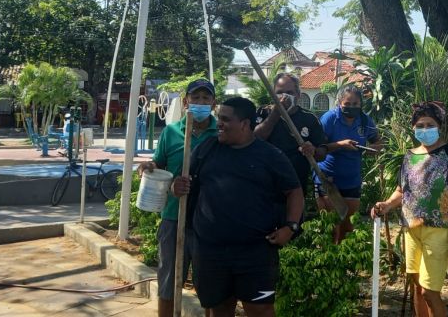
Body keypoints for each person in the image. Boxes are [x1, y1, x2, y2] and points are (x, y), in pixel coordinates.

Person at [172, 97, 303, 317]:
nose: (218, 124)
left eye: (225, 119)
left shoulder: (270, 156)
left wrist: (290, 227)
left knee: (260, 310)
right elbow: (183, 182)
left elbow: (295, 192)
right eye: (218, 118)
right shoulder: (207, 148)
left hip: (255, 252)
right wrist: (177, 187)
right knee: (218, 309)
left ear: (244, 124)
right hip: (210, 251)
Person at [372, 102, 448, 317]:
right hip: (411, 230)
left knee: (430, 292)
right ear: (413, 128)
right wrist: (386, 205)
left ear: (439, 126)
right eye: (420, 125)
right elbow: (401, 190)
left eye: (430, 124)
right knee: (417, 287)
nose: (425, 129)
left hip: (440, 231)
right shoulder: (409, 156)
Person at [137, 78, 217, 317]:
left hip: (209, 221)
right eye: (195, 98)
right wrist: (149, 167)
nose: (200, 103)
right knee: (169, 281)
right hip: (174, 217)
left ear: (214, 103)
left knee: (212, 286)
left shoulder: (220, 134)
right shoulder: (171, 133)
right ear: (185, 102)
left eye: (206, 98)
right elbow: (159, 163)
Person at [316, 84, 382, 243]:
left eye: (355, 104)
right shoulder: (329, 119)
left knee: (347, 227)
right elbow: (317, 149)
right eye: (347, 104)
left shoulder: (365, 120)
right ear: (339, 103)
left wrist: (374, 148)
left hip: (352, 179)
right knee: (331, 227)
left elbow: (378, 142)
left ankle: (344, 266)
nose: (351, 107)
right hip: (328, 178)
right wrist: (340, 145)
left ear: (360, 105)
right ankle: (328, 265)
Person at [254, 73, 328, 202]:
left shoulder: (310, 119)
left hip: (295, 187)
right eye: (279, 92)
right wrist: (276, 113)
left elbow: (322, 153)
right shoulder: (263, 112)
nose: (284, 97)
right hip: (264, 185)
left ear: (298, 95)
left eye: (289, 92)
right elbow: (254, 139)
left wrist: (313, 150)